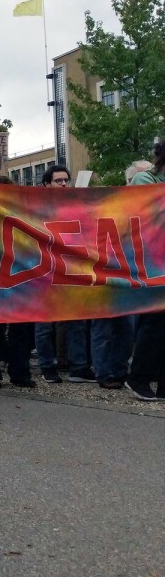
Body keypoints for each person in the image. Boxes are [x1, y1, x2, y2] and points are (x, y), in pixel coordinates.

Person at [33, 165, 95, 385]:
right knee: (44, 322)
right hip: (46, 270)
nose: (64, 184)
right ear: (46, 185)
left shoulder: (75, 206)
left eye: (66, 180)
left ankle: (78, 366)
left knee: (76, 318)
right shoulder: (34, 207)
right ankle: (47, 367)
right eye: (58, 181)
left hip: (71, 269)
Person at [125, 141, 165, 401]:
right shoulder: (145, 178)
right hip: (152, 261)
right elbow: (145, 218)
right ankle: (138, 378)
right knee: (154, 322)